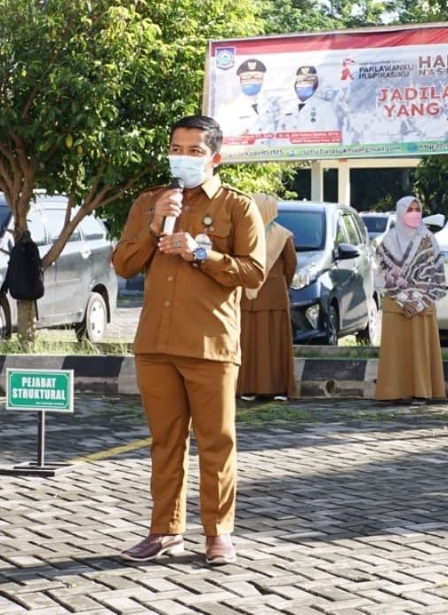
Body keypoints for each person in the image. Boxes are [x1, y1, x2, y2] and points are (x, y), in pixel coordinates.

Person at [111, 115, 266, 565]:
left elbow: (254, 272)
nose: (183, 158)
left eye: (194, 151)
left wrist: (201, 252)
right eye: (176, 148)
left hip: (210, 344)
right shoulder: (149, 202)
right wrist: (156, 226)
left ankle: (218, 534)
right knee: (164, 442)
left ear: (215, 157)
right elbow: (123, 263)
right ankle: (164, 531)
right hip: (155, 345)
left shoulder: (238, 207)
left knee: (216, 442)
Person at [374, 195, 447, 404]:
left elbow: (437, 273)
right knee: (395, 351)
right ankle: (391, 392)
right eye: (410, 209)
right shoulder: (387, 240)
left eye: (417, 209)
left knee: (419, 348)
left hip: (422, 303)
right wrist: (402, 296)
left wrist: (417, 299)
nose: (414, 213)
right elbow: (381, 273)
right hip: (396, 303)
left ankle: (421, 391)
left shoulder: (428, 239)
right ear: (400, 212)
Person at [238, 193, 298, 402]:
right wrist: (279, 284)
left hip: (246, 296)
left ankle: (247, 387)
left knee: (248, 342)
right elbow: (290, 266)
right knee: (274, 342)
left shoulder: (243, 234)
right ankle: (278, 389)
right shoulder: (283, 235)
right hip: (274, 297)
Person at [219, 58, 269, 140]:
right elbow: (221, 138)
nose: (252, 80)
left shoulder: (269, 104)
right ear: (240, 80)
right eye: (247, 77)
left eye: (257, 76)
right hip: (241, 151)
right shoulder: (228, 107)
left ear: (263, 79)